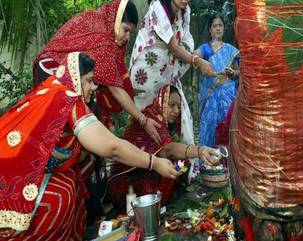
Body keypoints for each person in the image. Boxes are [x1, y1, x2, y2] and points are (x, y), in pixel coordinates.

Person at [0, 52, 179, 240]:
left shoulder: (54, 89)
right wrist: (154, 162)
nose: (94, 87)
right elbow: (112, 148)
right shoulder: (67, 97)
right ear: (75, 78)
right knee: (62, 194)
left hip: (22, 168)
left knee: (72, 183)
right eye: (90, 80)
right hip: (15, 175)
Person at [34, 0, 162, 143]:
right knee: (74, 123)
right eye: (125, 30)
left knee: (90, 107)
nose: (127, 37)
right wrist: (143, 120)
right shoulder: (104, 41)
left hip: (57, 70)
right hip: (52, 72)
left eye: (130, 32)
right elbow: (116, 89)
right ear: (115, 19)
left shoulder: (100, 21)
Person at [107, 85, 219, 207]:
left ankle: (162, 198)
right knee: (174, 160)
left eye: (178, 107)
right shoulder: (152, 118)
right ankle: (152, 206)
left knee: (181, 162)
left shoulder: (163, 122)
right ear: (162, 101)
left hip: (145, 168)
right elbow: (167, 149)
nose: (176, 111)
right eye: (172, 105)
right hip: (125, 181)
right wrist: (200, 151)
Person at [129, 0, 214, 149]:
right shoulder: (157, 7)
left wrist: (188, 55)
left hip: (168, 72)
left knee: (178, 118)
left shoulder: (185, 11)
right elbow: (174, 46)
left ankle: (179, 160)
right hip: (146, 76)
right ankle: (142, 160)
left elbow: (186, 40)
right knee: (145, 118)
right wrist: (197, 61)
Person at [195, 14, 240, 148]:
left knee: (227, 126)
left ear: (224, 28)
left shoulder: (231, 51)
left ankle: (227, 162)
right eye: (215, 26)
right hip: (210, 96)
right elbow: (194, 57)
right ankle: (206, 159)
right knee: (209, 126)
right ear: (210, 29)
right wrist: (199, 61)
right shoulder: (205, 48)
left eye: (220, 25)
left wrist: (233, 73)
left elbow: (239, 72)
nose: (218, 28)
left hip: (227, 96)